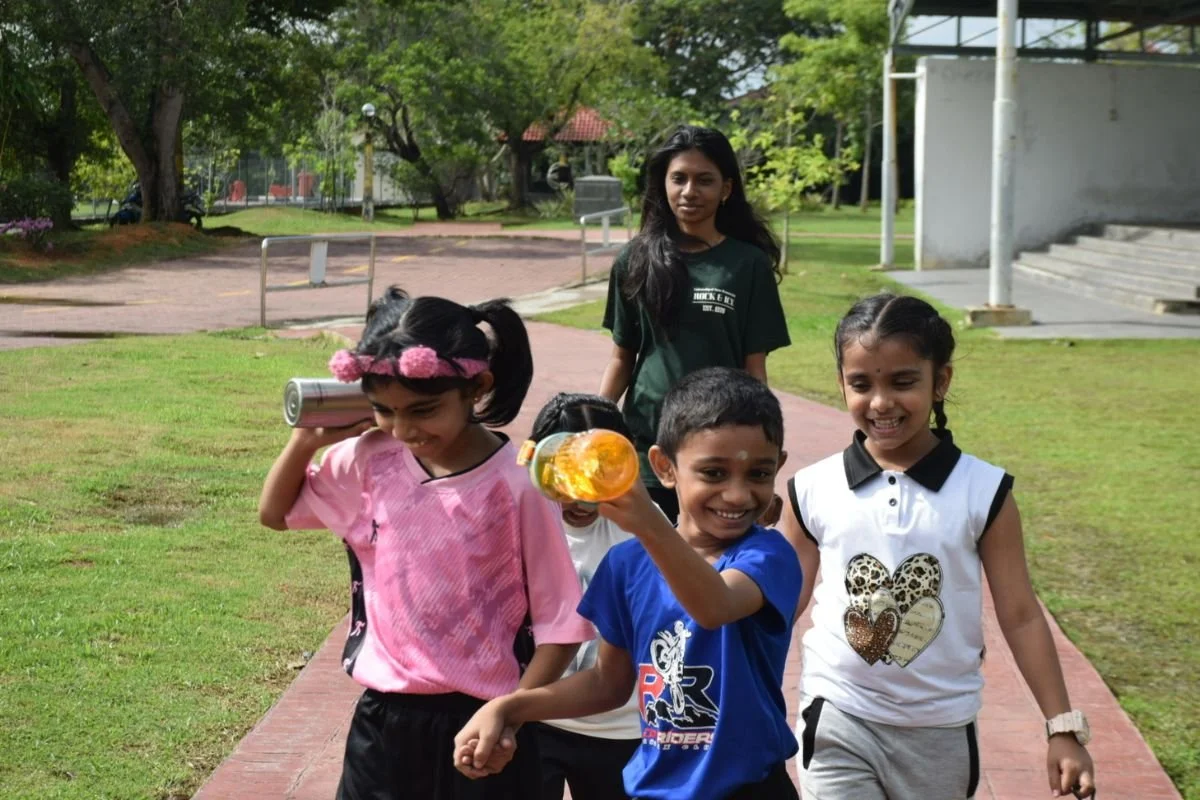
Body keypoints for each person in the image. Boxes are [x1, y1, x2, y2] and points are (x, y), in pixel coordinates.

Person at [258, 286, 595, 800]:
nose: (403, 429)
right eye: (384, 410)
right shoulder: (369, 461)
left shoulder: (518, 486)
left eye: (423, 410)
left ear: (476, 386)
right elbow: (275, 514)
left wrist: (512, 714)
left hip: (484, 721)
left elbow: (562, 624)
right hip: (384, 724)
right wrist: (308, 438)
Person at [780, 293, 1097, 800]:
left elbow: (1020, 614)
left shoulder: (984, 491)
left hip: (941, 731)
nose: (880, 402)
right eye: (861, 384)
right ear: (842, 384)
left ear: (940, 381)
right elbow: (781, 605)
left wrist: (1063, 726)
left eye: (902, 382)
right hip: (838, 714)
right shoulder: (812, 487)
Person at [455, 367, 803, 800]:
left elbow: (714, 607)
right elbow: (607, 683)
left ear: (779, 467)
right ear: (664, 467)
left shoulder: (768, 556)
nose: (736, 495)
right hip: (653, 788)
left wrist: (647, 524)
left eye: (758, 474)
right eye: (713, 473)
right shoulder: (626, 564)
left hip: (749, 790)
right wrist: (510, 707)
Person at [598, 125, 791, 524]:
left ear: (726, 189)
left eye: (705, 180)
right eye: (678, 178)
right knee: (648, 564)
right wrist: (595, 420)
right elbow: (622, 357)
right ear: (662, 184)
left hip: (720, 451)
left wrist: (765, 449)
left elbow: (755, 370)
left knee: (709, 568)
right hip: (649, 449)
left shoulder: (747, 265)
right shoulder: (634, 260)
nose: (689, 191)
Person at [526, 393, 645, 800]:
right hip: (534, 718)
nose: (580, 497)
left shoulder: (646, 530)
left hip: (623, 730)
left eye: (598, 476)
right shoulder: (523, 520)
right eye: (565, 478)